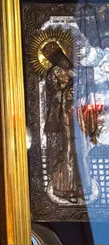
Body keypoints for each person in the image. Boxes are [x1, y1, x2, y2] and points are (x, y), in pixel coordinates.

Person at [42, 41, 92, 203]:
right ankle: (67, 188)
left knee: (81, 148)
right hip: (65, 110)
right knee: (70, 148)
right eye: (54, 55)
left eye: (58, 53)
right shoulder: (53, 72)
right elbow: (53, 93)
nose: (59, 57)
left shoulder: (72, 69)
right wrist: (68, 90)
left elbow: (85, 84)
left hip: (77, 109)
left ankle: (81, 187)